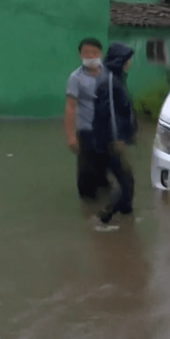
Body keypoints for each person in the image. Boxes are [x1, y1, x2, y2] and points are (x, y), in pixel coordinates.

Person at [92, 43, 139, 224]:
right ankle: (103, 216)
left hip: (109, 139)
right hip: (111, 141)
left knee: (124, 179)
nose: (130, 62)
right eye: (128, 59)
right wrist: (117, 138)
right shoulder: (110, 81)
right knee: (127, 181)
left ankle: (127, 218)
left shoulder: (115, 78)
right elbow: (110, 112)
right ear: (121, 60)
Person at [65, 38, 111, 200]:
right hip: (86, 130)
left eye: (94, 52)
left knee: (106, 169)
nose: (90, 56)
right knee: (86, 171)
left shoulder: (109, 74)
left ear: (101, 54)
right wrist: (71, 136)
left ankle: (106, 205)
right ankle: (87, 209)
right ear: (80, 55)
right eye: (86, 53)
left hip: (107, 130)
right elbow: (70, 106)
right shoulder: (75, 78)